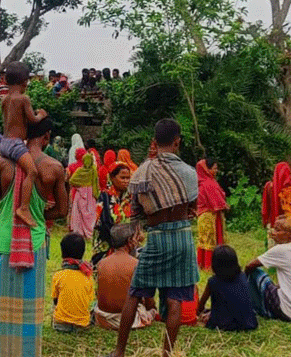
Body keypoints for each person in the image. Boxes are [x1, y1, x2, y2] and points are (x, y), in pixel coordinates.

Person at [105, 118, 199, 357]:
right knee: (176, 296)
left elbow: (136, 209)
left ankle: (119, 352)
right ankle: (167, 353)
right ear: (177, 142)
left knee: (135, 293)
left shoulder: (142, 172)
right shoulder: (189, 172)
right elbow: (192, 207)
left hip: (156, 238)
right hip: (183, 238)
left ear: (154, 142)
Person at [0, 117, 69, 357]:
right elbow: (63, 211)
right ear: (46, 137)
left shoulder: (3, 164)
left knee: (0, 303)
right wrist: (39, 215)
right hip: (34, 241)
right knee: (30, 307)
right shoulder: (53, 168)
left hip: (4, 239)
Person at [0, 61, 48, 228]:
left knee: (16, 173)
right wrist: (41, 115)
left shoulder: (5, 100)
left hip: (4, 142)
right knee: (32, 171)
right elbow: (32, 119)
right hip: (15, 144)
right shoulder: (23, 98)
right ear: (25, 82)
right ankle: (24, 208)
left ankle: (5, 201)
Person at [245, 216, 291, 322]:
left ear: (288, 235)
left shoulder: (281, 249)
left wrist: (244, 279)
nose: (273, 233)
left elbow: (249, 266)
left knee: (256, 273)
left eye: (277, 230)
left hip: (289, 313)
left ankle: (254, 307)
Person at [94, 224, 157, 330]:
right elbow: (148, 299)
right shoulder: (137, 264)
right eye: (135, 237)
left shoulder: (102, 262)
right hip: (128, 320)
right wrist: (152, 308)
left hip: (102, 318)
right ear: (129, 241)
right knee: (152, 311)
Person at [197, 245, 258, 331]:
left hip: (226, 325)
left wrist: (202, 314)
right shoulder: (242, 276)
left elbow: (200, 306)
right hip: (249, 322)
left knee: (206, 314)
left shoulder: (213, 282)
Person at [51, 233, 95, 332]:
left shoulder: (58, 276)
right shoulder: (88, 276)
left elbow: (55, 300)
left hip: (60, 326)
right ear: (83, 253)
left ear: (63, 254)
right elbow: (89, 300)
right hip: (82, 326)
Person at [196, 159, 228, 270]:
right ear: (207, 169)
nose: (216, 170)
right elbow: (216, 200)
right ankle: (209, 265)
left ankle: (202, 264)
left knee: (203, 239)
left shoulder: (203, 182)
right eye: (214, 168)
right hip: (209, 215)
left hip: (204, 215)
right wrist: (224, 205)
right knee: (210, 240)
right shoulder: (208, 183)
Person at [68, 152, 100, 239]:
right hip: (91, 195)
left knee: (79, 213)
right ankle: (90, 231)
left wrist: (80, 187)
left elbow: (72, 181)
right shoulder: (93, 170)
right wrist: (96, 194)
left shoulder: (79, 171)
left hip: (80, 194)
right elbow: (95, 183)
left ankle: (79, 232)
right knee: (90, 213)